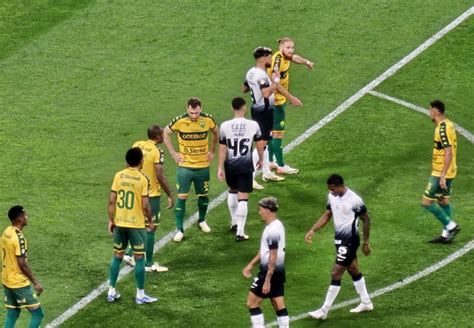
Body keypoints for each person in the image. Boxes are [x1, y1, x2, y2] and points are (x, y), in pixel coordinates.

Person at [305, 174, 373, 320]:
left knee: (336, 273)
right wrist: (313, 229)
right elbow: (327, 214)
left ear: (341, 185)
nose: (331, 192)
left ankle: (324, 311)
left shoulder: (354, 200)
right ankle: (366, 302)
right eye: (329, 189)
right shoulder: (332, 196)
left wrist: (366, 242)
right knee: (353, 269)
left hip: (350, 240)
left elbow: (366, 220)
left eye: (333, 189)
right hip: (339, 240)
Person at [163, 97, 219, 242]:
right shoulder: (180, 121)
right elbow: (165, 133)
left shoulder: (208, 120)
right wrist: (173, 153)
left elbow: (216, 133)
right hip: (185, 168)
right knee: (182, 197)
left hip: (202, 167)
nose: (194, 116)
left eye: (196, 113)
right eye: (191, 113)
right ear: (187, 109)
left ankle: (201, 220)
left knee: (203, 195)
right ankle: (180, 229)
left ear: (201, 109)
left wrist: (212, 151)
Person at [107, 147, 158, 304]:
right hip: (136, 225)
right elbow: (145, 205)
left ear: (126, 161)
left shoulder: (118, 176)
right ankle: (140, 295)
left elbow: (111, 201)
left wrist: (111, 220)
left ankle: (111, 292)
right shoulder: (142, 179)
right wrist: (150, 220)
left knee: (117, 256)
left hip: (120, 223)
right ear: (141, 161)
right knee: (139, 257)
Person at [122, 125, 174, 272]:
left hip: (136, 191)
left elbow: (129, 165)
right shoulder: (157, 151)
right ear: (158, 137)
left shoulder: (137, 144)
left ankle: (129, 253)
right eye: (162, 135)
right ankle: (149, 263)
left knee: (139, 224)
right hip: (151, 194)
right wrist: (169, 194)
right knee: (151, 227)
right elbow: (160, 175)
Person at [217, 97, 265, 241]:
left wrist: (220, 167)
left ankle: (234, 221)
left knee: (232, 190)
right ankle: (240, 232)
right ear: (244, 108)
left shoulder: (225, 126)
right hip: (245, 165)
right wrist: (261, 159)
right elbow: (259, 145)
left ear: (232, 108)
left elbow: (222, 148)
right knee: (243, 198)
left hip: (230, 164)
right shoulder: (253, 125)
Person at [267, 37, 314, 175]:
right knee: (278, 133)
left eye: (292, 47)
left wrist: (306, 62)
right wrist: (291, 97)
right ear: (281, 48)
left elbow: (294, 58)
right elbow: (275, 83)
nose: (291, 50)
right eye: (288, 47)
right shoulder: (277, 61)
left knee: (272, 132)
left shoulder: (285, 57)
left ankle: (270, 162)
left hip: (275, 100)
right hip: (276, 101)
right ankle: (281, 165)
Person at [242, 46, 285, 190]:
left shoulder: (251, 72)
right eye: (269, 57)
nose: (271, 60)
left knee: (265, 141)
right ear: (263, 58)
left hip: (258, 109)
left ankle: (266, 172)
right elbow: (266, 93)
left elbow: (244, 89)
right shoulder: (261, 75)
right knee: (261, 143)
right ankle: (250, 177)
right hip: (264, 111)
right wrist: (276, 80)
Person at [243, 197, 289, 328]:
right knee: (278, 304)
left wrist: (267, 280)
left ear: (268, 210)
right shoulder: (276, 225)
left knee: (252, 303)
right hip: (278, 271)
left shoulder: (272, 231)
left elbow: (273, 256)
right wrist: (250, 264)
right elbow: (265, 251)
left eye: (261, 210)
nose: (259, 212)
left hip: (270, 271)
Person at [421, 100, 460, 243]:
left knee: (426, 202)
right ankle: (446, 235)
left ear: (435, 111)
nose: (429, 113)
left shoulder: (441, 129)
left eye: (430, 110)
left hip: (441, 172)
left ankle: (451, 225)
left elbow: (448, 152)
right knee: (443, 200)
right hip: (450, 170)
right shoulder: (448, 124)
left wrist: (442, 176)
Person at [2, 206, 44, 328]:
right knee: (38, 314)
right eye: (25, 215)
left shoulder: (6, 232)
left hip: (6, 280)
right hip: (18, 283)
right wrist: (36, 283)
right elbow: (22, 265)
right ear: (20, 218)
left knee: (13, 313)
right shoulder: (19, 239)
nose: (27, 217)